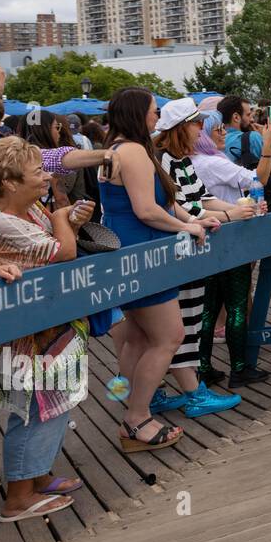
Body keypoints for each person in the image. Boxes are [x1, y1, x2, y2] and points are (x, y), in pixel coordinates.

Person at [100, 88, 220, 451]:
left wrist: (195, 218)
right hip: (143, 253)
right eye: (153, 111)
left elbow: (164, 203)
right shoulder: (134, 151)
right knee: (169, 336)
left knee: (138, 338)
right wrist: (188, 227)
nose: (157, 117)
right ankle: (136, 419)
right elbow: (146, 209)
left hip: (130, 252)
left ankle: (135, 406)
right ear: (138, 114)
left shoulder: (117, 149)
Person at [0, 137, 92, 521]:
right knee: (35, 411)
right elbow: (61, 252)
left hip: (46, 328)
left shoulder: (29, 211)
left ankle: (36, 475)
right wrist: (64, 219)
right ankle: (18, 496)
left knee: (54, 405)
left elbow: (56, 244)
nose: (47, 176)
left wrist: (69, 223)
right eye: (37, 172)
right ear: (11, 183)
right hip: (26, 337)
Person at [150, 99, 251, 414]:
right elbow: (182, 206)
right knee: (182, 323)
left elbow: (201, 199)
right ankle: (190, 392)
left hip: (188, 248)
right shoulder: (166, 161)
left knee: (189, 321)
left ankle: (171, 389)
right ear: (182, 128)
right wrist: (232, 213)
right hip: (178, 252)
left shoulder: (179, 160)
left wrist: (233, 210)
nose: (201, 129)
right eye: (196, 123)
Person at [190, 110, 271, 384]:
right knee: (237, 304)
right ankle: (239, 367)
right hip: (230, 237)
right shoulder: (212, 163)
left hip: (207, 237)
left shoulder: (190, 162)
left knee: (209, 308)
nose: (224, 133)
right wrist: (267, 145)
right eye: (217, 130)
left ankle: (203, 367)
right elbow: (258, 180)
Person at [218, 95, 260, 168]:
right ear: (236, 117)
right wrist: (267, 140)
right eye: (248, 115)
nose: (252, 120)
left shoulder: (213, 141)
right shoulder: (253, 137)